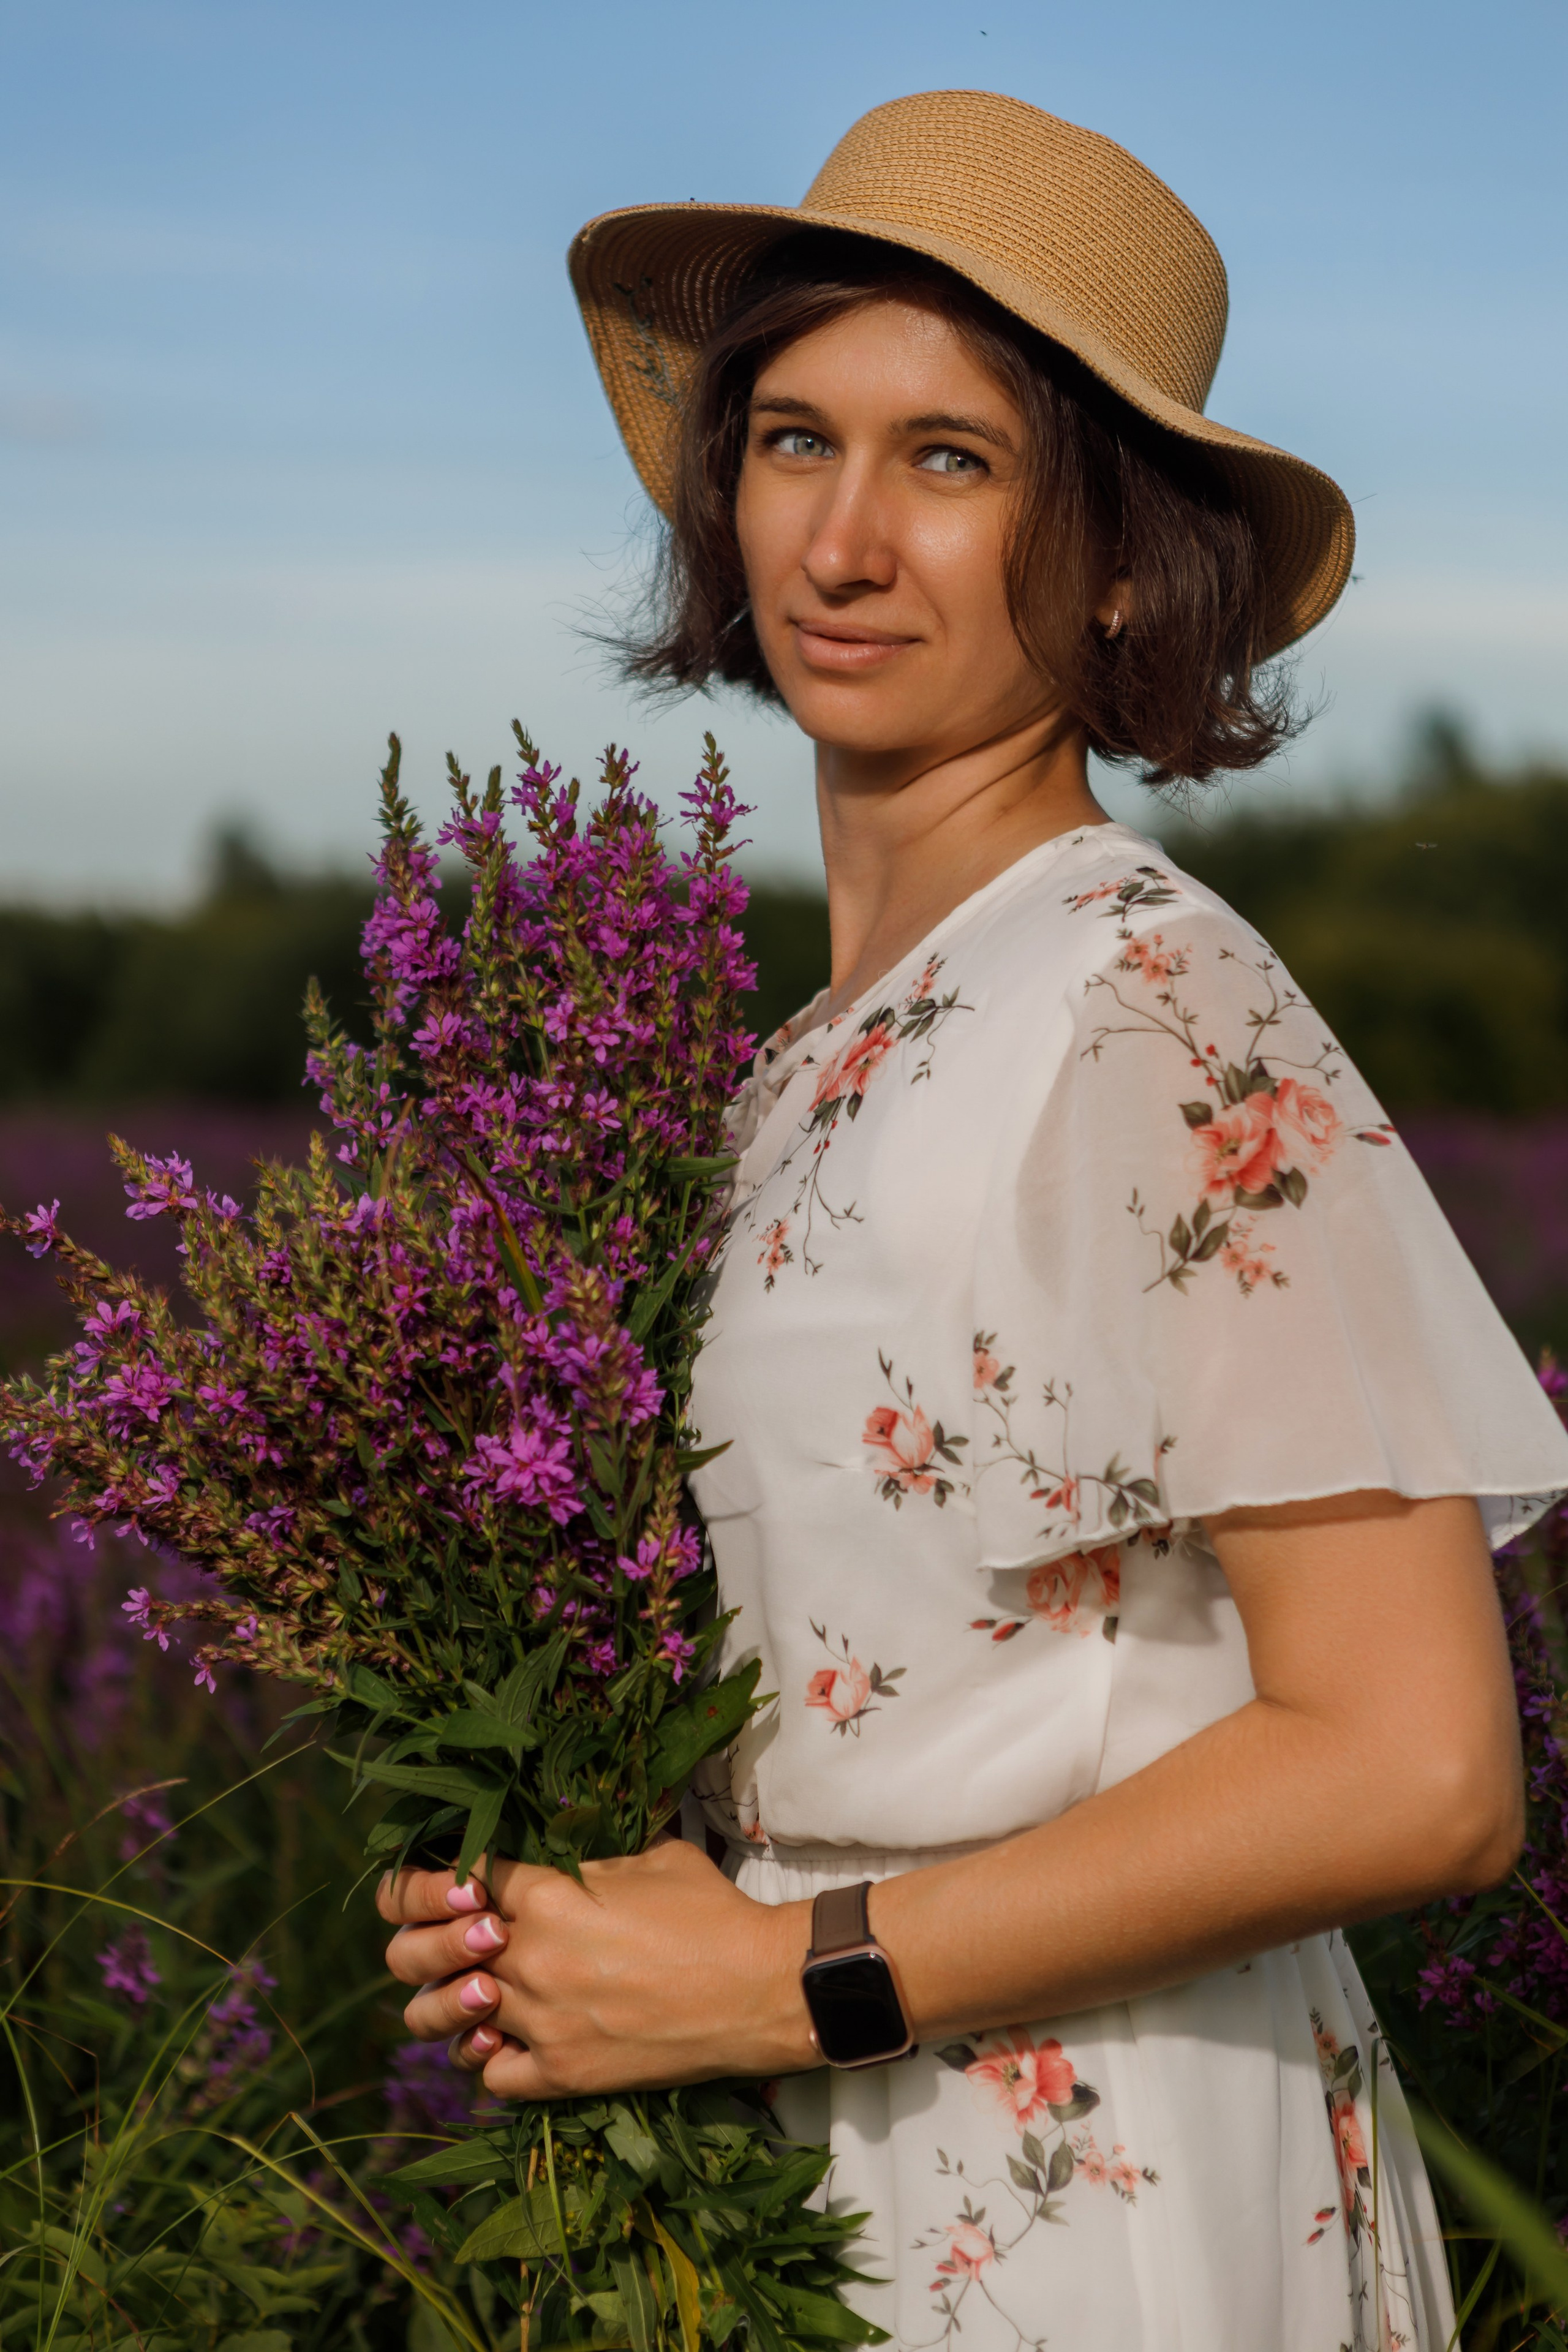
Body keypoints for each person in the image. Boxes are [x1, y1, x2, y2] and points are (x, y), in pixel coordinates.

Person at [375, 91, 1568, 2350]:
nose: (842, 540)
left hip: (1087, 2186)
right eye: (796, 439)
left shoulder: (1142, 998)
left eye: (952, 461)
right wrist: (593, 1916)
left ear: (1119, 557)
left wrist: (789, 1978)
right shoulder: (794, 1065)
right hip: (832, 2158)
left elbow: (1420, 1766)